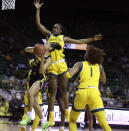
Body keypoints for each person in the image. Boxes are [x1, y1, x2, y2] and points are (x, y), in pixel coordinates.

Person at [33, 0, 103, 127]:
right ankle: (52, 116)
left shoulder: (63, 38)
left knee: (64, 89)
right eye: (54, 27)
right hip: (52, 64)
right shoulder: (49, 35)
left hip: (62, 64)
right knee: (53, 90)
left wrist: (93, 39)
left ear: (61, 30)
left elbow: (79, 40)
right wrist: (38, 10)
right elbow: (39, 25)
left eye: (57, 27)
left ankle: (66, 112)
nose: (54, 28)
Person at [67, 45, 112, 131]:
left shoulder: (80, 64)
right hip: (94, 93)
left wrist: (68, 69)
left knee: (72, 121)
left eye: (87, 52)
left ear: (88, 54)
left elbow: (69, 75)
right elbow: (104, 80)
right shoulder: (100, 67)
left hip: (82, 93)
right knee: (103, 123)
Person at [20, 43, 55, 131]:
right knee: (35, 103)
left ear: (50, 48)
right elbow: (26, 49)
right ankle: (44, 122)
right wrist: (35, 48)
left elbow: (41, 71)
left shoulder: (49, 58)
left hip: (40, 79)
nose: (45, 44)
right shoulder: (38, 51)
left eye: (48, 44)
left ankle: (28, 115)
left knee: (30, 93)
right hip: (32, 79)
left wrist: (42, 60)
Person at [20, 58, 44, 131]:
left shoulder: (29, 72)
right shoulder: (39, 73)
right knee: (37, 114)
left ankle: (23, 126)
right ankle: (33, 129)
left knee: (26, 111)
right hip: (36, 93)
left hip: (28, 93)